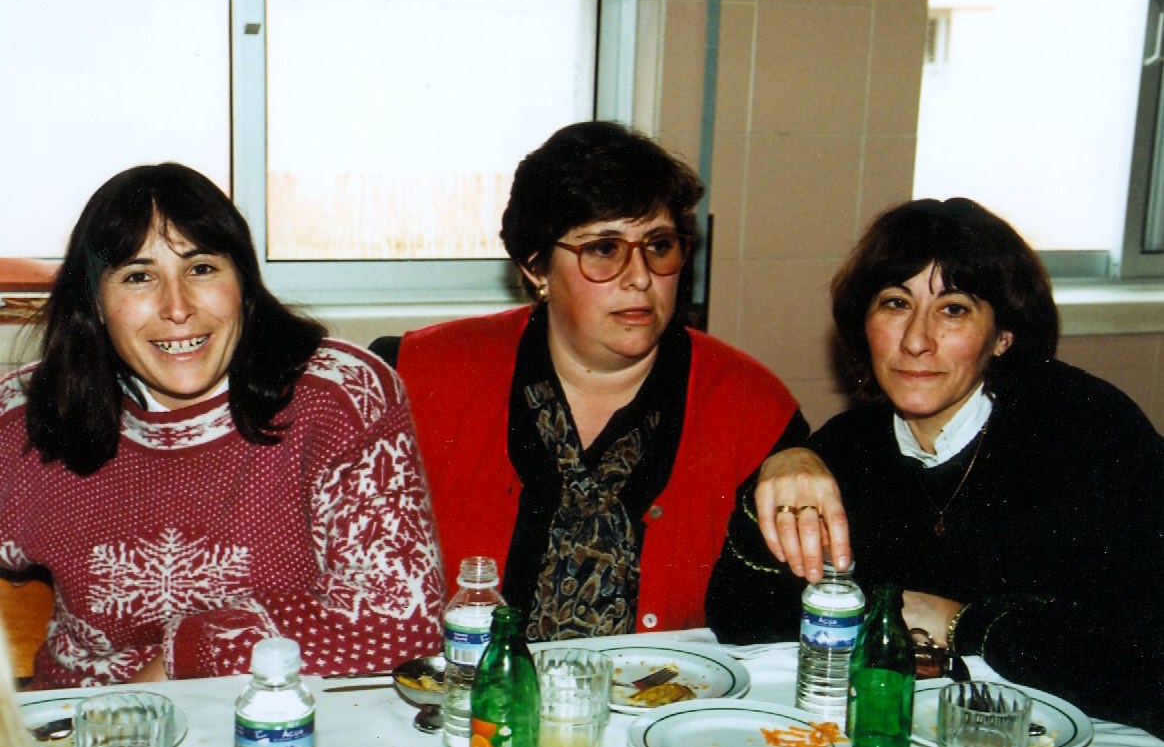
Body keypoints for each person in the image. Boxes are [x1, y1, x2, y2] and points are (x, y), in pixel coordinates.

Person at [706, 197, 1164, 734]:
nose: (916, 341)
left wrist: (959, 621)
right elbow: (739, 616)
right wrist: (782, 464)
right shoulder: (850, 445)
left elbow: (1141, 666)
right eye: (895, 304)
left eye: (953, 310)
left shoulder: (1090, 431)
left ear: (1003, 336)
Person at [0, 163, 445, 689]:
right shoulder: (26, 413)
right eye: (139, 276)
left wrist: (183, 660)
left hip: (279, 709)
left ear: (243, 282)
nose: (177, 308)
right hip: (83, 711)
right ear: (95, 301)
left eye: (202, 268)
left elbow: (400, 620)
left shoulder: (340, 397)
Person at [393, 121, 809, 641]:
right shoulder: (420, 375)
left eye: (659, 245)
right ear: (537, 267)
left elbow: (772, 635)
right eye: (605, 249)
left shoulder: (750, 406)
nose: (640, 277)